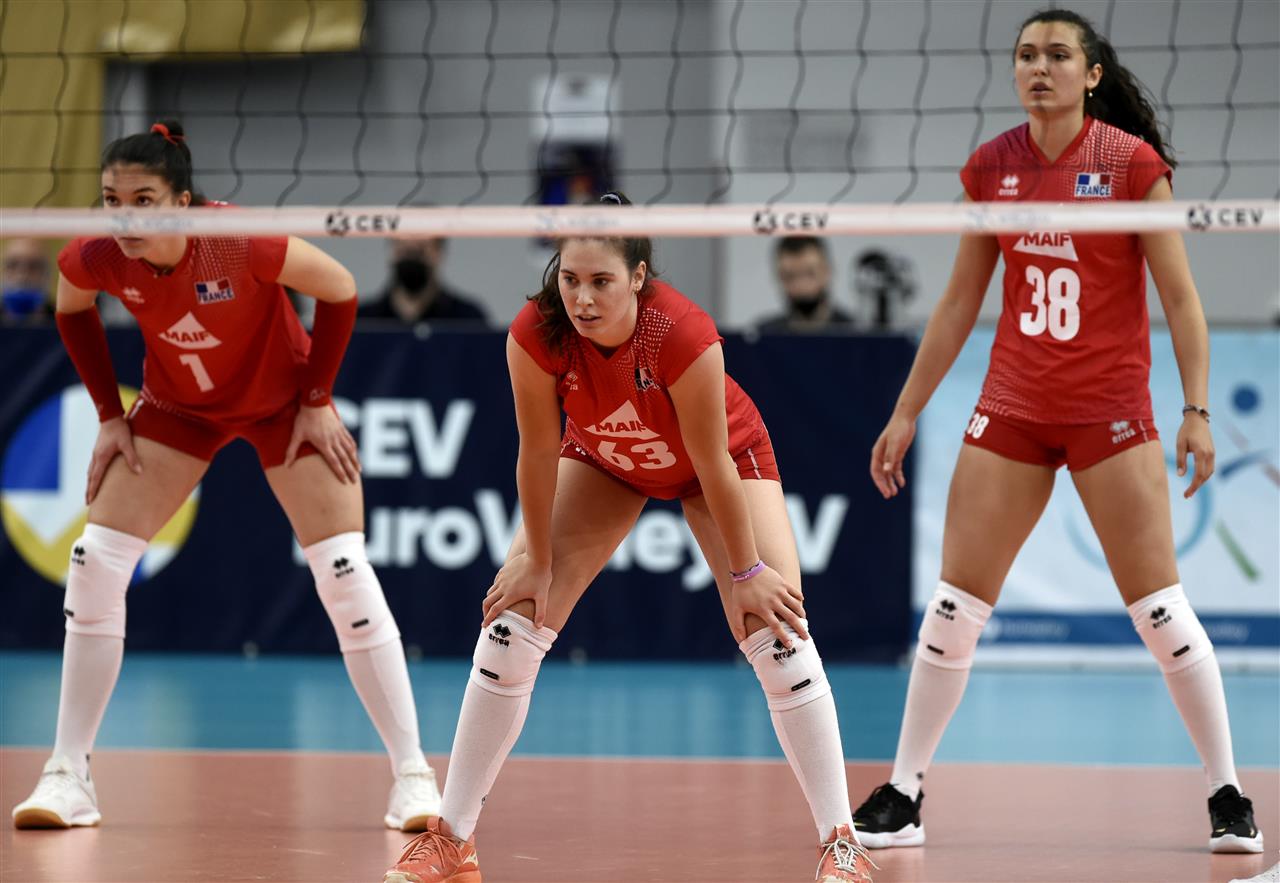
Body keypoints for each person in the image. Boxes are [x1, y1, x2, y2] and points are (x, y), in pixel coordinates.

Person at [850, 9, 1262, 856]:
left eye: (1059, 55)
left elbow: (1181, 299)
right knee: (954, 607)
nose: (1040, 68)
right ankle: (905, 789)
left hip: (1110, 409)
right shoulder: (992, 166)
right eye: (1027, 56)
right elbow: (959, 302)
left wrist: (1195, 410)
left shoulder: (1130, 164)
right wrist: (906, 408)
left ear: (1092, 74)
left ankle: (1228, 793)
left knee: (1159, 608)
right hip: (1014, 405)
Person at [384, 192, 875, 883]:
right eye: (570, 279)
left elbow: (711, 461)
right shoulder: (536, 333)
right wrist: (536, 560)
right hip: (606, 458)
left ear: (638, 276)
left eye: (601, 282)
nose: (583, 299)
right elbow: (536, 453)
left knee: (778, 632)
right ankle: (452, 839)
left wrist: (746, 573)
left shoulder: (682, 333)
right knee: (511, 622)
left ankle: (842, 842)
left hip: (717, 462)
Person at [10, 121, 441, 834]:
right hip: (177, 410)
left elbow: (340, 288)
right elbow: (71, 306)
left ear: (182, 202)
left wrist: (318, 399)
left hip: (282, 406)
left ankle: (413, 776)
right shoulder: (97, 254)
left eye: (144, 201)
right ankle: (67, 773)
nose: (126, 218)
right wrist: (109, 415)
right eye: (112, 200)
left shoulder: (239, 241)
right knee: (93, 560)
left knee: (343, 569)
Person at [358, 236, 488, 325]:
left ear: (439, 253)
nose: (411, 257)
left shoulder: (469, 320)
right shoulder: (362, 321)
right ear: (391, 251)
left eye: (420, 249)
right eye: (403, 249)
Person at [757, 236, 855, 333]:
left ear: (827, 271)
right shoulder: (762, 335)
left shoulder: (855, 332)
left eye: (809, 274)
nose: (801, 285)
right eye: (790, 276)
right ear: (778, 277)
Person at [1, 237, 55, 324]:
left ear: (48, 275)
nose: (22, 275)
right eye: (12, 265)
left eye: (33, 266)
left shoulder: (64, 324)